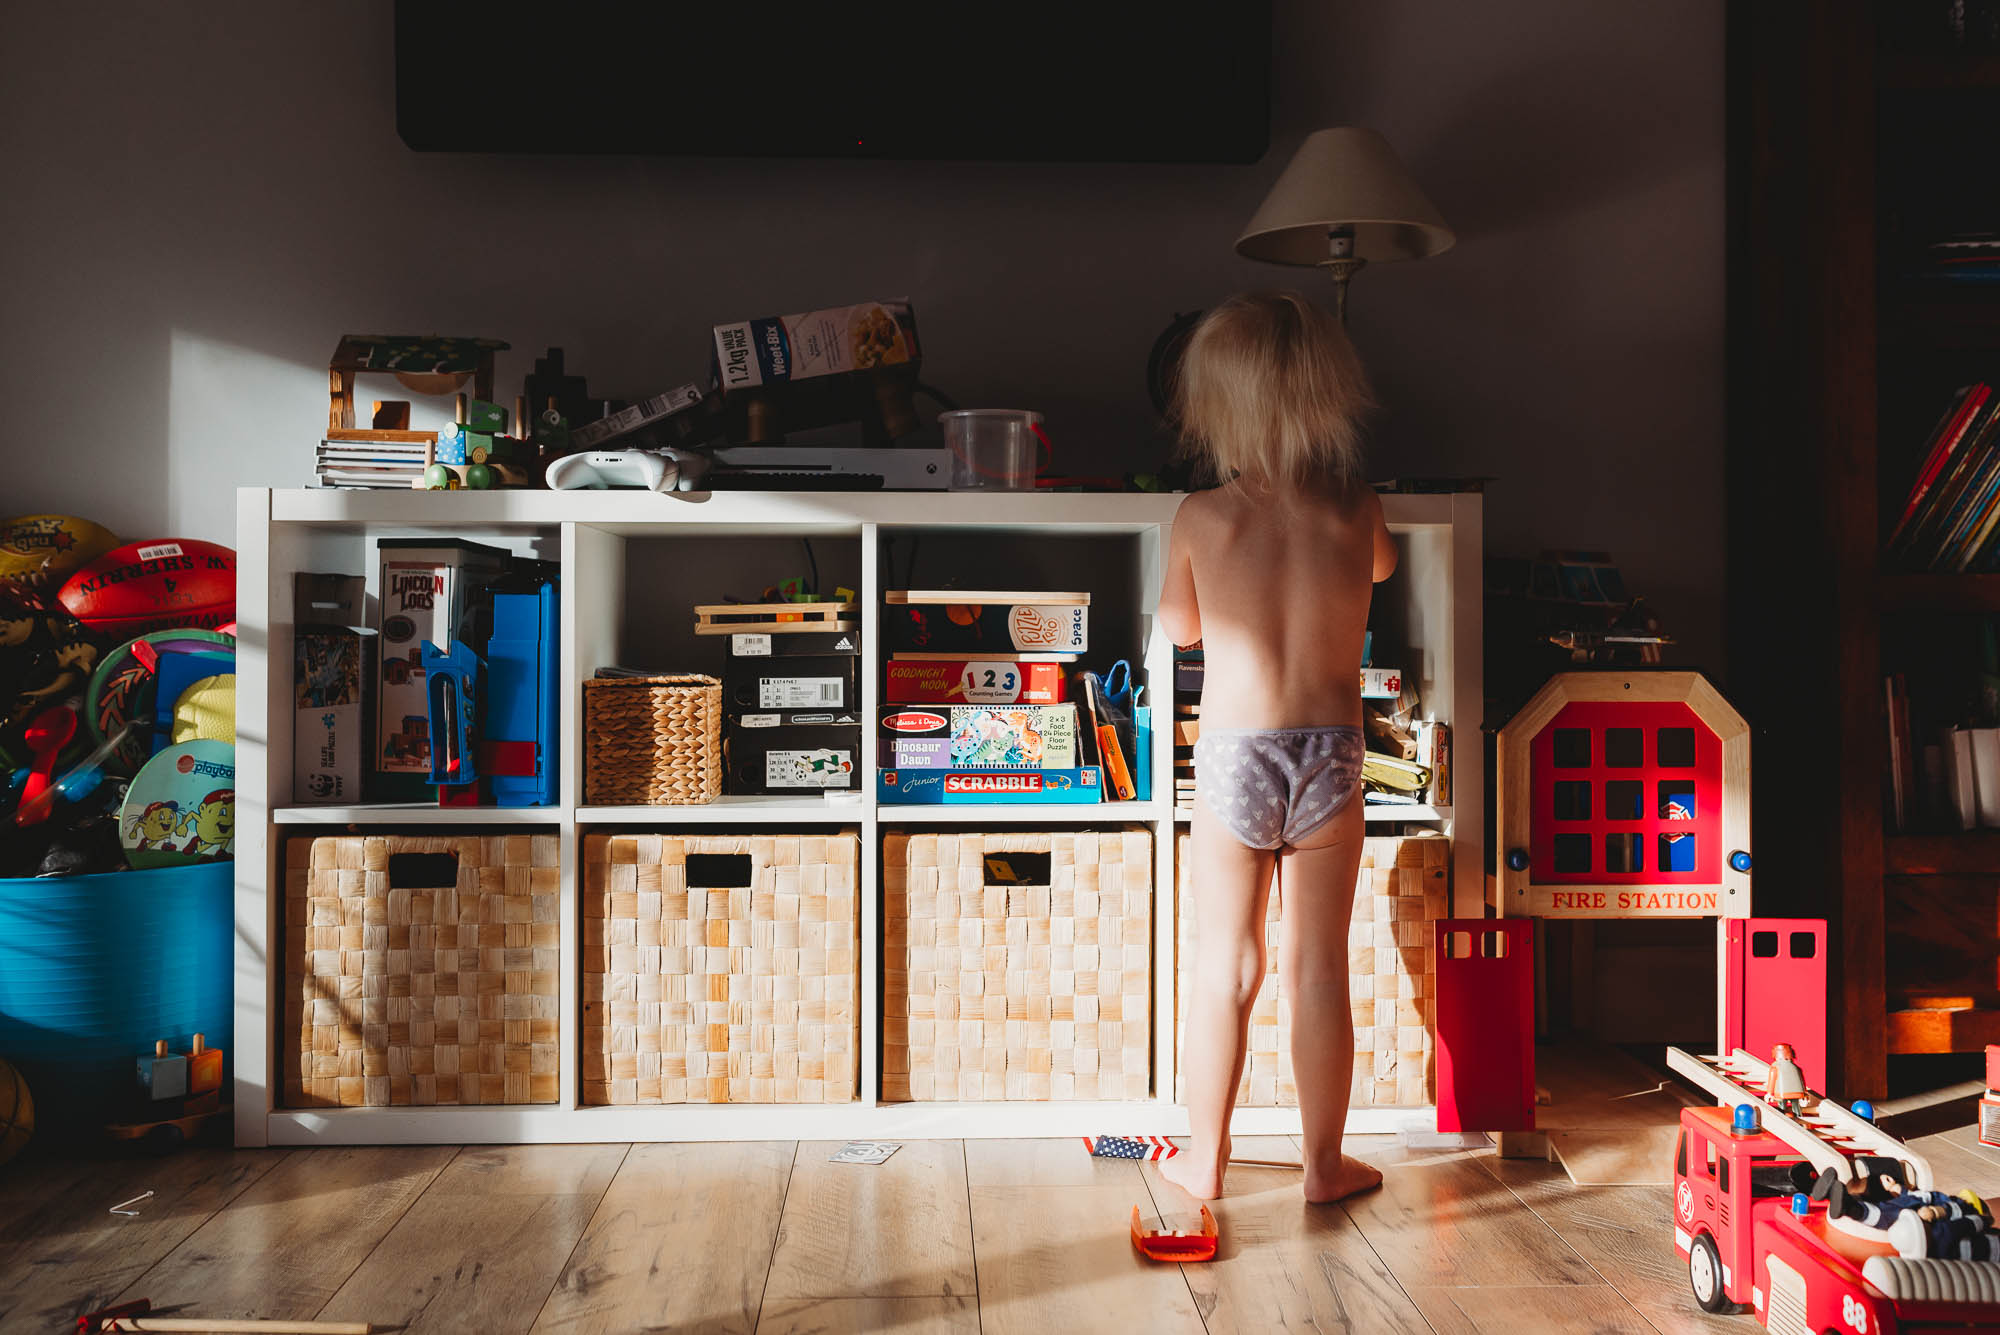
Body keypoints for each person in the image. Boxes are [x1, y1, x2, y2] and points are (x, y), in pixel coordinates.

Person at [1155, 291, 1396, 1204]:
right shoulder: (1355, 505)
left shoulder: (1200, 516)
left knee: (1226, 964)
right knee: (1316, 966)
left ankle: (1204, 1160)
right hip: (1331, 757)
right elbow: (1379, 568)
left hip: (1232, 758)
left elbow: (1179, 628)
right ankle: (1324, 1165)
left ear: (1217, 404)